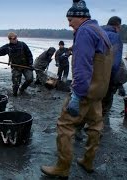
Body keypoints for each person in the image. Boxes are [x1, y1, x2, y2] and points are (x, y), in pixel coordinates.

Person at [40, 0, 113, 178]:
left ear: (80, 18)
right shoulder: (100, 31)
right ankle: (88, 161)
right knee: (95, 125)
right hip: (99, 90)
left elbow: (82, 67)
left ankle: (62, 167)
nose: (69, 23)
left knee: (65, 125)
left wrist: (76, 95)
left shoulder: (84, 31)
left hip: (85, 91)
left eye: (70, 19)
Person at [0, 32, 34, 96]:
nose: (15, 39)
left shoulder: (23, 45)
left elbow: (29, 55)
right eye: (12, 38)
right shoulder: (7, 47)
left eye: (15, 38)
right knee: (16, 84)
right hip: (16, 67)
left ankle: (22, 88)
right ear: (9, 39)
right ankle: (15, 94)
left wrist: (31, 64)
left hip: (26, 66)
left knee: (30, 79)